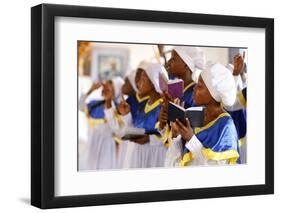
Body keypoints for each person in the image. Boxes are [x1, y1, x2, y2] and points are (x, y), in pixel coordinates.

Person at [165, 63, 240, 166]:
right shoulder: (195, 113)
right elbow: (182, 159)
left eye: (199, 86)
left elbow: (216, 170)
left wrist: (191, 139)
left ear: (213, 93)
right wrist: (176, 134)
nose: (194, 89)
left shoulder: (226, 126)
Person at [158, 46, 206, 147]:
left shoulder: (196, 95)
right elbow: (168, 134)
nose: (169, 62)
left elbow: (196, 133)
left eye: (173, 59)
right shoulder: (175, 92)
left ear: (186, 65)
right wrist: (163, 121)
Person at [79, 76, 124, 170]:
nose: (104, 88)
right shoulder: (95, 103)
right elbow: (80, 105)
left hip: (106, 149)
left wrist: (109, 102)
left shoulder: (118, 109)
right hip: (91, 145)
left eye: (109, 87)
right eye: (105, 86)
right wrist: (91, 90)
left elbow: (117, 130)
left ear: (115, 91)